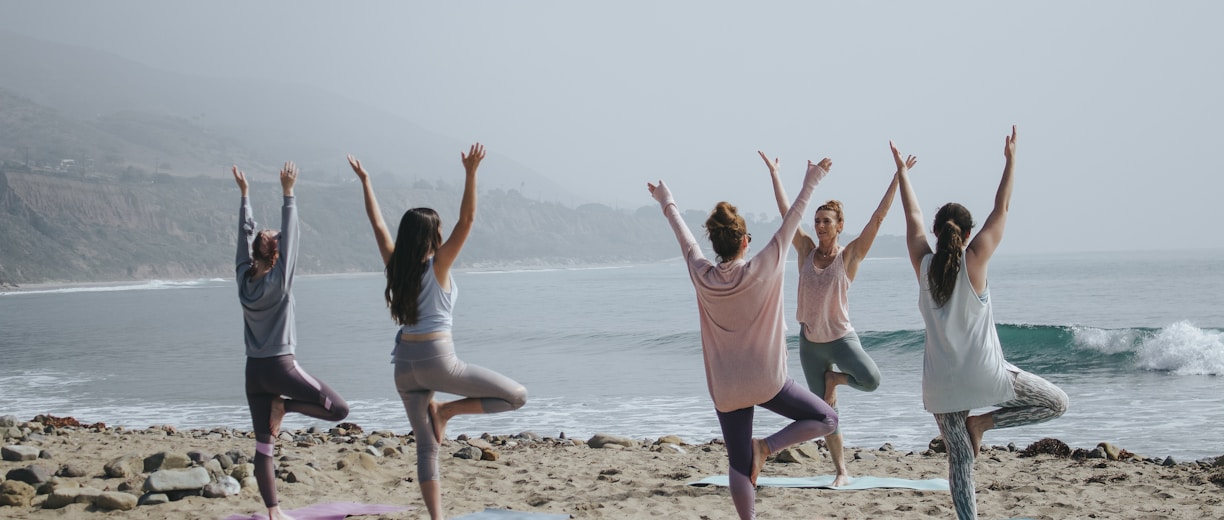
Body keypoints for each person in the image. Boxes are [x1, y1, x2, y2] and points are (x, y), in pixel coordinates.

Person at [648, 156, 839, 520]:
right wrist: (812, 180)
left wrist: (665, 200)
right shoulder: (763, 266)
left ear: (717, 244)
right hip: (768, 382)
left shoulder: (701, 274)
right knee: (828, 419)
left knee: (737, 464)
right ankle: (766, 447)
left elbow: (685, 239)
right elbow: (792, 221)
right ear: (745, 241)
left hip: (726, 389)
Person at [895, 128, 1068, 520]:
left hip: (940, 387)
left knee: (959, 463)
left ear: (937, 236)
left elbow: (912, 217)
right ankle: (984, 423)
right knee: (1057, 403)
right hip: (987, 377)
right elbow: (1002, 209)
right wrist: (1010, 161)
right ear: (968, 234)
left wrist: (903, 175)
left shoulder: (923, 267)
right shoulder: (976, 262)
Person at [347, 144, 527, 520]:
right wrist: (471, 172)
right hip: (436, 361)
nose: (446, 234)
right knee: (516, 396)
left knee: (426, 448)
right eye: (440, 230)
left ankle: (437, 519)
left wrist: (365, 182)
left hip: (403, 367)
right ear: (432, 235)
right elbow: (468, 221)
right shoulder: (438, 264)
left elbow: (377, 225)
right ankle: (446, 410)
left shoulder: (396, 265)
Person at [759, 149, 916, 486]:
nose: (818, 226)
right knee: (826, 416)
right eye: (817, 221)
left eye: (826, 221)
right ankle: (842, 471)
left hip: (842, 340)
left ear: (840, 225)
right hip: (810, 344)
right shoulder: (803, 250)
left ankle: (836, 380)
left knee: (872, 380)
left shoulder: (851, 256)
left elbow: (878, 218)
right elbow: (789, 214)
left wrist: (897, 177)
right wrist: (775, 174)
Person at [234, 162, 350, 520]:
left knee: (263, 447)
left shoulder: (243, 278)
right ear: (276, 255)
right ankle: (286, 407)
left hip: (254, 373)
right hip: (282, 368)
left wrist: (246, 198)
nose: (276, 236)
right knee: (339, 410)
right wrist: (288, 193)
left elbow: (243, 236)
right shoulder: (280, 281)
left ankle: (274, 513)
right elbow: (292, 233)